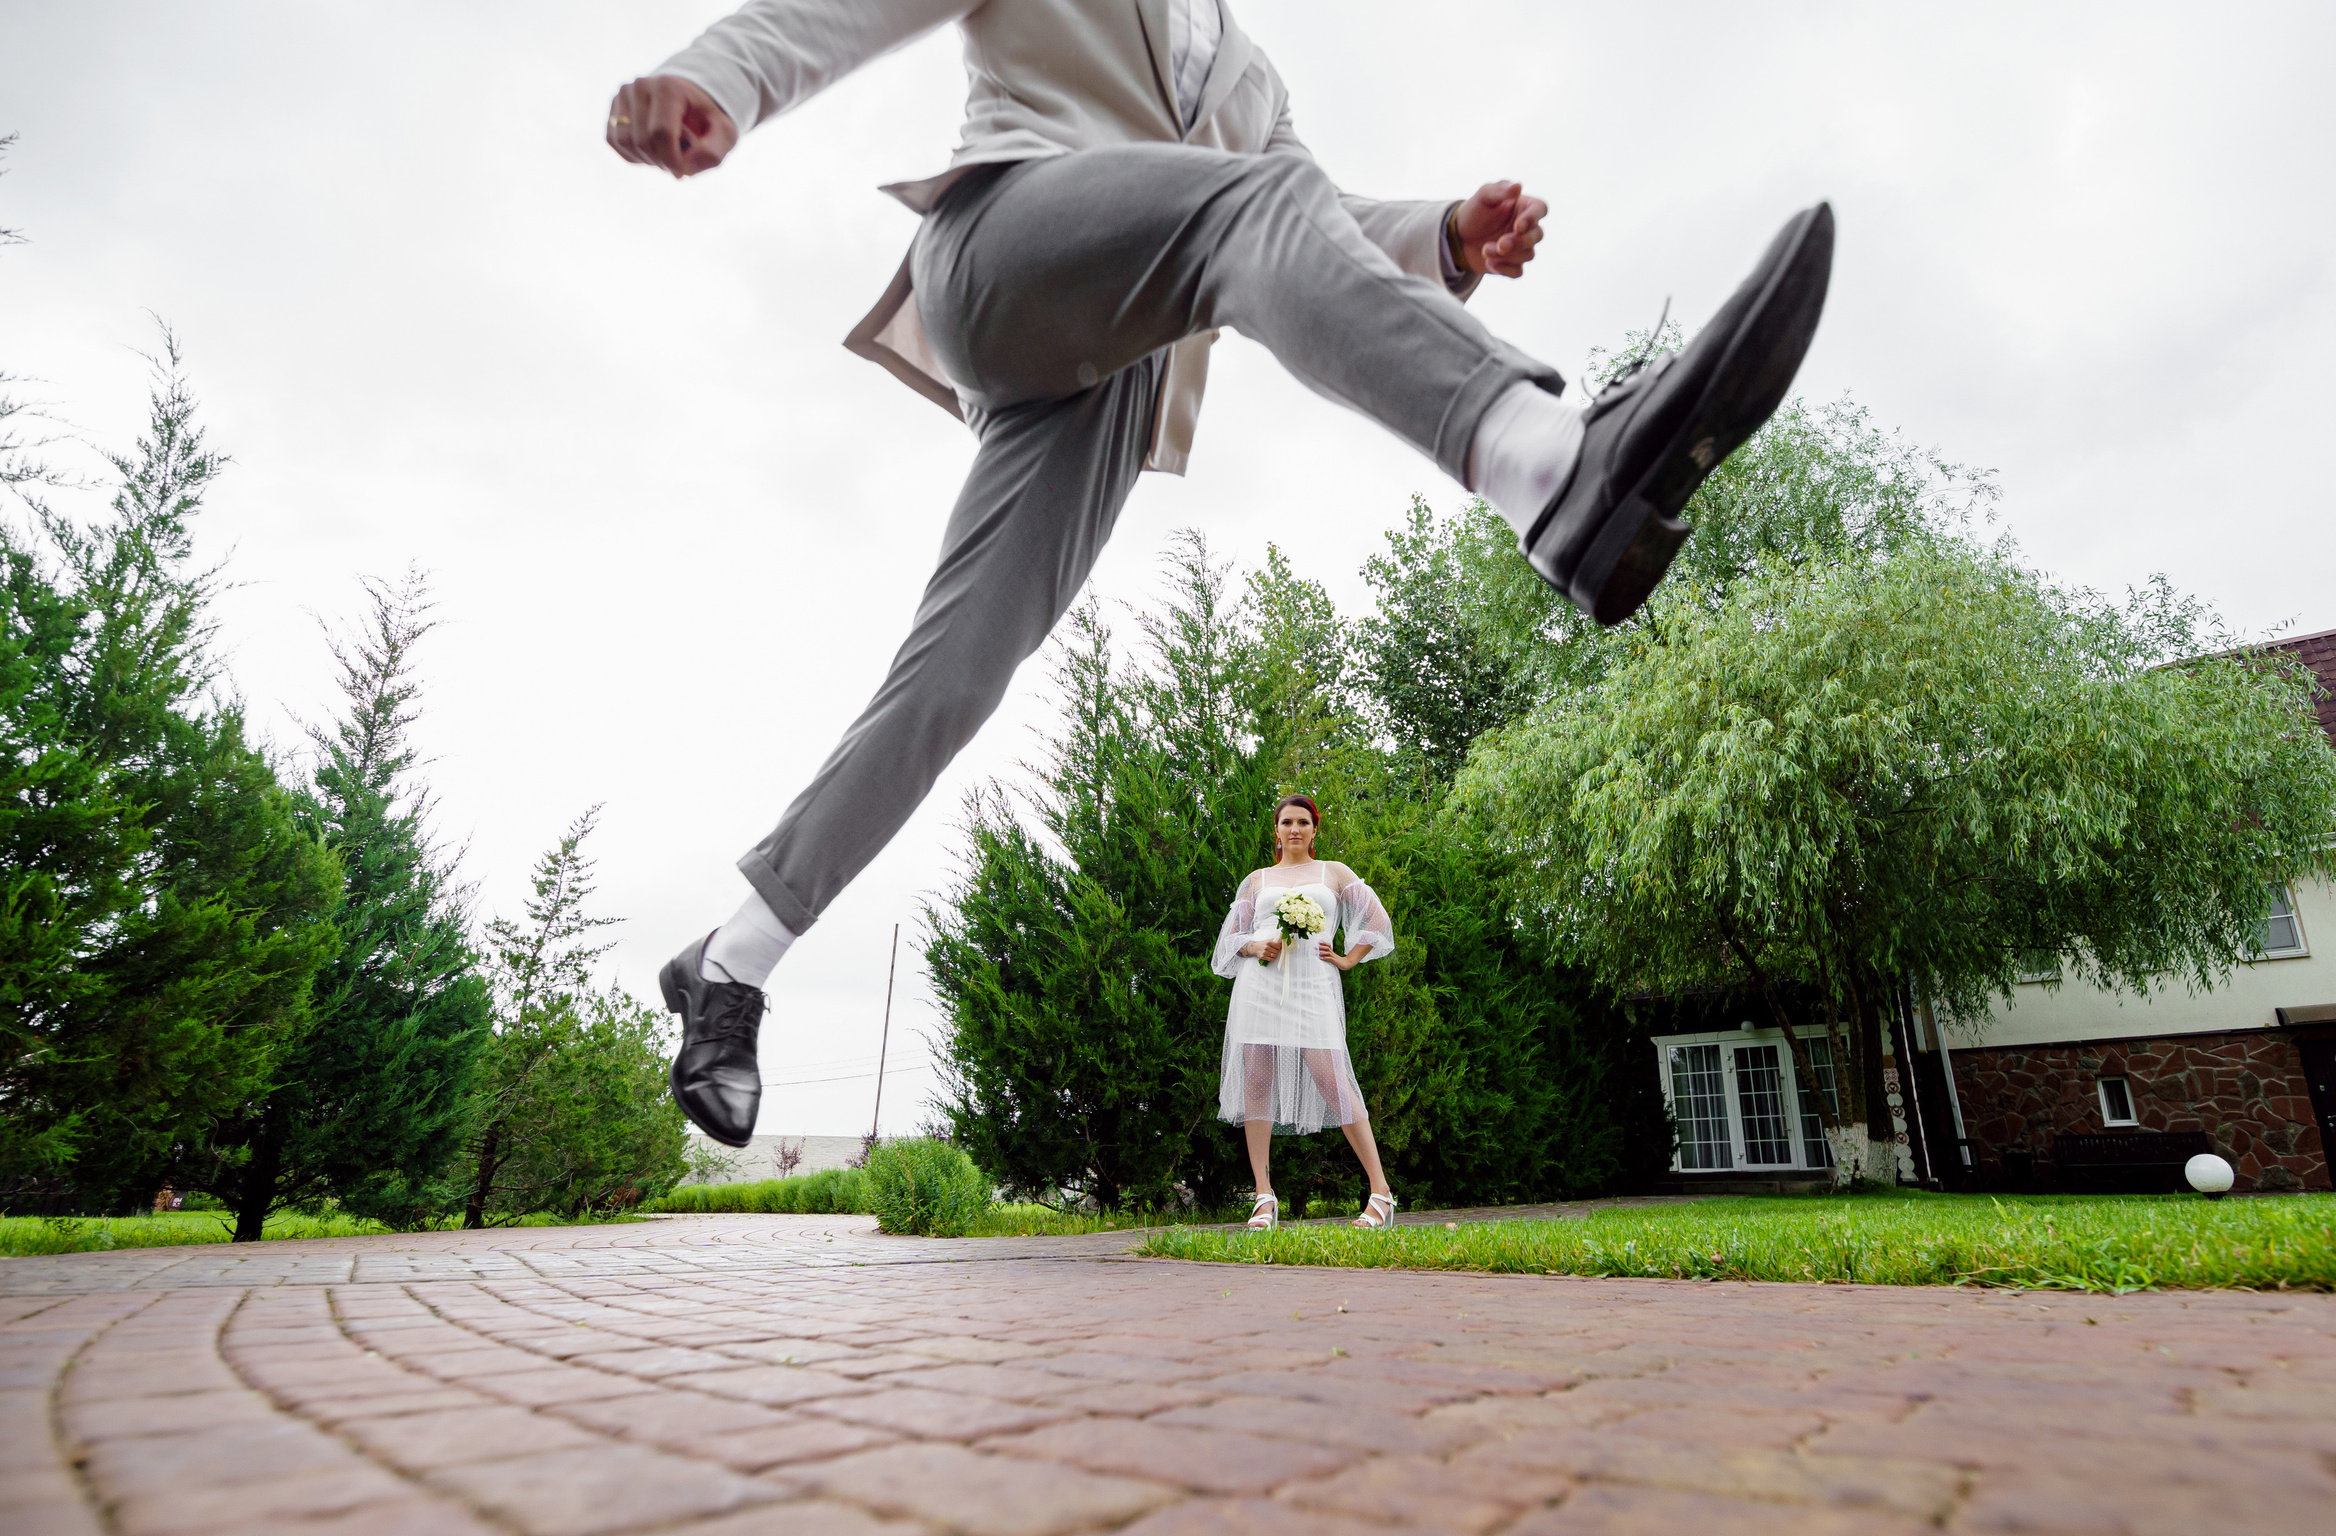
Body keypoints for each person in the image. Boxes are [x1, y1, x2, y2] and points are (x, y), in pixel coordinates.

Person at [612, 0, 1834, 1147]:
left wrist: (1446, 236)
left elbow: (1320, 221)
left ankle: (732, 960)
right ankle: (1547, 465)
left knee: (957, 671)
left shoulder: (1249, 80)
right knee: (1250, 206)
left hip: (1113, 372)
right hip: (1005, 251)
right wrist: (720, 80)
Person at [1213, 795, 1396, 1229]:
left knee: (1335, 1082)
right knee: (1257, 1083)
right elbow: (1229, 942)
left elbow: (1377, 921)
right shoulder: (1256, 881)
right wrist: (1255, 946)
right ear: (1276, 832)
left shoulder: (1334, 873)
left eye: (1303, 822)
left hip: (1313, 988)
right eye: (1286, 823)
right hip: (1259, 988)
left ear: (1314, 830)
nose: (1294, 829)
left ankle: (1381, 1193)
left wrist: (1348, 959)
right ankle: (1263, 1196)